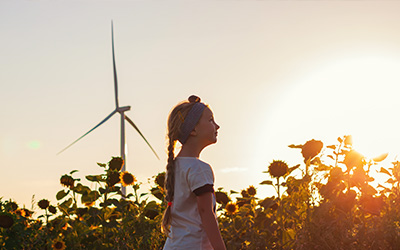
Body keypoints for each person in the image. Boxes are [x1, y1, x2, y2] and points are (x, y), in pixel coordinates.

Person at [161, 95, 226, 250]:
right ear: (193, 130)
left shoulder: (175, 166)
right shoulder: (199, 168)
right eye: (210, 120)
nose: (217, 126)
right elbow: (206, 212)